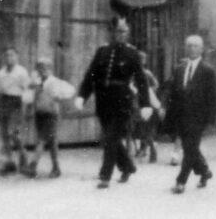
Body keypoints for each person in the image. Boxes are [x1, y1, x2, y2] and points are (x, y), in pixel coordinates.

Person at [74, 17, 151, 189]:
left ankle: (105, 176)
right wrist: (82, 96)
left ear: (128, 34)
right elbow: (91, 76)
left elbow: (141, 80)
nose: (120, 35)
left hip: (122, 102)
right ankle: (128, 167)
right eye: (117, 31)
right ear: (112, 32)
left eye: (124, 31)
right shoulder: (102, 51)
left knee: (111, 138)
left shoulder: (132, 54)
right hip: (103, 102)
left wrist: (145, 104)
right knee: (111, 139)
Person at [163, 35, 216, 194]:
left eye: (195, 46)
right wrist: (169, 116)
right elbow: (173, 95)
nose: (192, 49)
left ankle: (181, 181)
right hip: (181, 116)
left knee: (190, 148)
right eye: (189, 46)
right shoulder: (179, 69)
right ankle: (204, 171)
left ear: (201, 49)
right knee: (190, 149)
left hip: (198, 118)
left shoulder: (208, 70)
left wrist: (211, 119)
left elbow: (214, 97)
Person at [23, 58, 75, 178]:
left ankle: (33, 165)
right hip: (39, 114)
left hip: (51, 115)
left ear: (50, 69)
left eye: (45, 68)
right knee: (51, 142)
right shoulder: (36, 83)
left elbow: (69, 91)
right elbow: (29, 97)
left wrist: (59, 97)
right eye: (40, 68)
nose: (42, 70)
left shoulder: (54, 82)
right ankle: (56, 168)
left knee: (41, 140)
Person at [0, 47, 30, 176]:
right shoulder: (0, 73)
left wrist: (25, 107)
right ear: (4, 58)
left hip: (17, 103)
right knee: (4, 135)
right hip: (4, 103)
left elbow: (27, 90)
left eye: (12, 55)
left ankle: (23, 159)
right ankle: (10, 163)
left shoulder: (21, 72)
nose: (9, 58)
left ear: (17, 57)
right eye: (7, 56)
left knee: (13, 133)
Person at [135, 51, 161, 162]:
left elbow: (156, 85)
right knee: (142, 127)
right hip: (141, 102)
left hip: (145, 103)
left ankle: (151, 149)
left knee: (144, 127)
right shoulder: (137, 73)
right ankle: (144, 148)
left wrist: (148, 91)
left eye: (142, 60)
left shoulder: (146, 73)